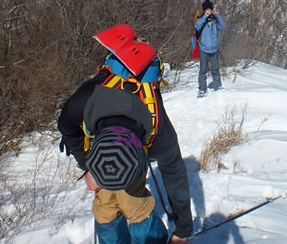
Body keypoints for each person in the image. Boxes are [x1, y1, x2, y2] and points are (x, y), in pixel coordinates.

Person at [58, 24, 193, 244]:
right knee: (111, 205)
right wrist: (89, 166)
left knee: (131, 203)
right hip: (107, 140)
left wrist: (183, 230)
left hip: (133, 140)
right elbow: (67, 127)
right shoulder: (84, 102)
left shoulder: (158, 130)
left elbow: (175, 173)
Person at [194, 0, 226, 97]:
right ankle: (202, 89)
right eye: (207, 9)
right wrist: (205, 16)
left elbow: (223, 27)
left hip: (214, 49)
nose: (209, 11)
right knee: (203, 70)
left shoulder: (215, 19)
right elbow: (197, 27)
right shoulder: (201, 19)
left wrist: (218, 15)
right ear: (204, 10)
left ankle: (218, 87)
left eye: (210, 9)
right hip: (203, 49)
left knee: (215, 69)